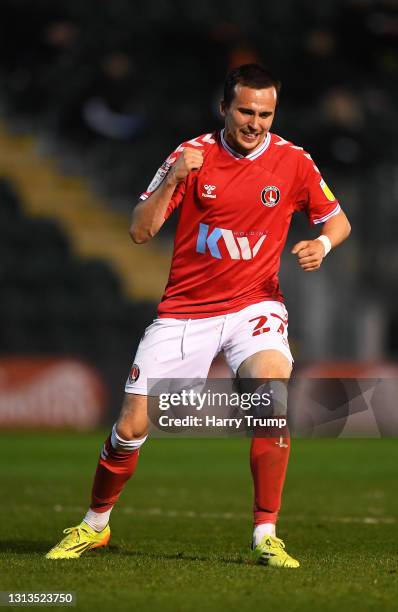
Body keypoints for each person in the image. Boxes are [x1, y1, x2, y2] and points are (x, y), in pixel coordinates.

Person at [46, 64, 351, 567]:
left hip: (256, 304)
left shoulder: (293, 161)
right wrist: (173, 179)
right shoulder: (191, 156)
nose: (256, 123)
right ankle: (94, 524)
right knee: (131, 425)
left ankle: (265, 534)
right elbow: (140, 232)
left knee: (270, 393)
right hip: (187, 311)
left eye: (266, 113)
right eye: (246, 111)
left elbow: (337, 221)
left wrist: (321, 243)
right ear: (224, 108)